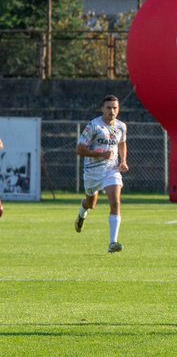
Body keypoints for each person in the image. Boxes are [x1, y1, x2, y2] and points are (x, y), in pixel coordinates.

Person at [75, 95, 129, 253]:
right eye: (109, 108)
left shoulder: (121, 127)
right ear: (102, 109)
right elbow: (79, 149)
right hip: (92, 172)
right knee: (91, 204)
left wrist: (123, 161)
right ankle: (82, 212)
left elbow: (122, 143)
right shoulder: (94, 126)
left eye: (115, 108)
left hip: (111, 170)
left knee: (116, 202)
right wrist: (101, 154)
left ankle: (113, 243)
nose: (112, 111)